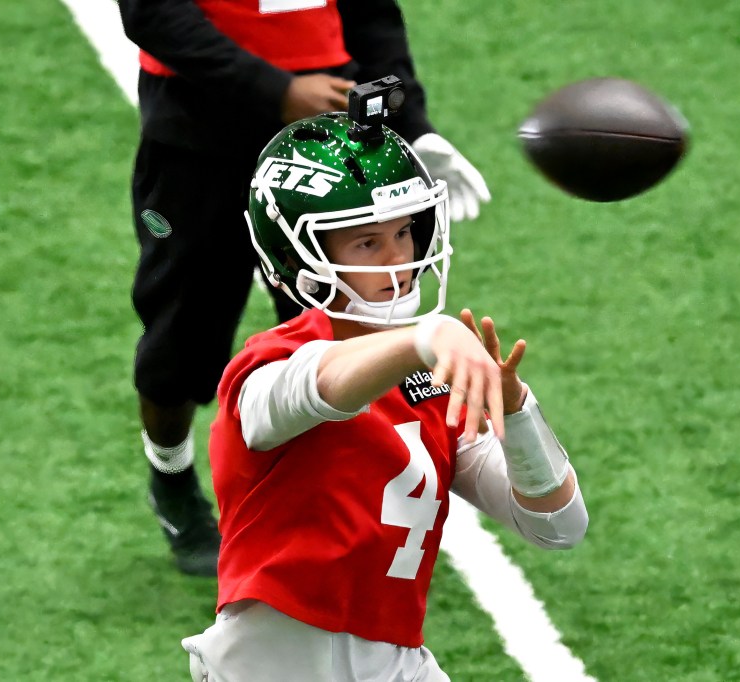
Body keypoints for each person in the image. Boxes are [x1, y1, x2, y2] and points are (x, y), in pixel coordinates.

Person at [179, 113, 588, 680]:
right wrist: (421, 339)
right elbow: (319, 388)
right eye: (368, 241)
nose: (398, 259)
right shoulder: (265, 368)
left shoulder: (435, 378)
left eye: (403, 232)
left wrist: (517, 411)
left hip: (392, 661)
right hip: (271, 663)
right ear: (300, 257)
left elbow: (558, 525)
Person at [117, 0, 491, 576]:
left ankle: (346, 493)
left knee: (352, 325)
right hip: (200, 125)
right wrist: (275, 90)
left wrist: (412, 123)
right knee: (182, 340)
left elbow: (370, 10)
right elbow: (153, 12)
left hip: (328, 133)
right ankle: (171, 476)